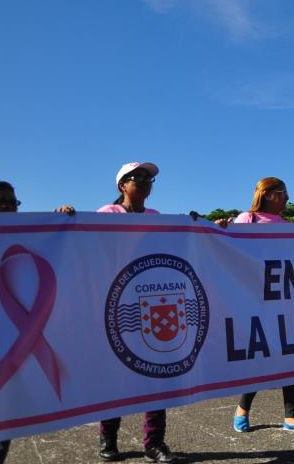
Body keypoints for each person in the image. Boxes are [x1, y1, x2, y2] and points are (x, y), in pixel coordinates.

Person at [0, 182, 73, 464]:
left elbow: (58, 247)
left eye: (13, 202)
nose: (8, 207)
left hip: (12, 350)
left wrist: (61, 217)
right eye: (0, 202)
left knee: (3, 430)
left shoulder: (25, 236)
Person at [96, 162, 175, 463]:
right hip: (115, 302)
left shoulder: (156, 217)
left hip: (151, 301)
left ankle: (154, 443)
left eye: (148, 178)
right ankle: (108, 438)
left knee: (156, 374)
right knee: (115, 374)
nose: (144, 182)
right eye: (136, 177)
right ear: (122, 185)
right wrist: (66, 217)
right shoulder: (106, 214)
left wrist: (201, 227)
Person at [231, 178, 294, 434]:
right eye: (283, 193)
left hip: (286, 303)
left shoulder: (290, 226)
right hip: (256, 303)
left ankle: (290, 417)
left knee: (291, 359)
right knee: (258, 359)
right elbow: (227, 251)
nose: (287, 198)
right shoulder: (247, 219)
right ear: (267, 194)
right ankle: (242, 410)